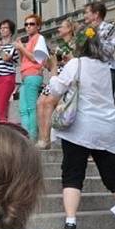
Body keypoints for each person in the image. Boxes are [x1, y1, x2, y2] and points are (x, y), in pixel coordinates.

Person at [45, 29, 115, 229]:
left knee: (73, 173)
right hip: (105, 127)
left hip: (79, 127)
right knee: (112, 176)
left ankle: (71, 221)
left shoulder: (76, 64)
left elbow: (56, 88)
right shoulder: (106, 67)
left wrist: (55, 68)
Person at [35, 18, 76, 148]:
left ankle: (46, 139)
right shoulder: (59, 45)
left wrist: (63, 60)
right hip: (56, 75)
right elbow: (53, 65)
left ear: (69, 29)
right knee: (40, 102)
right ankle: (41, 137)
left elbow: (76, 62)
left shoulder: (75, 44)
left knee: (48, 102)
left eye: (62, 27)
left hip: (66, 78)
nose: (59, 29)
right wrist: (47, 60)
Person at [15, 14, 47, 139]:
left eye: (32, 24)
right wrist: (20, 48)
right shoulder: (30, 41)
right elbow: (23, 60)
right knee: (23, 109)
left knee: (31, 108)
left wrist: (21, 47)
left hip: (32, 76)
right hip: (26, 77)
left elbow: (36, 59)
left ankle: (32, 137)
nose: (28, 26)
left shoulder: (39, 38)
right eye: (26, 24)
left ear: (38, 26)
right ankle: (27, 138)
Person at [83, 2, 115, 92]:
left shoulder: (109, 28)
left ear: (96, 14)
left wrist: (94, 36)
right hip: (90, 72)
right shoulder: (85, 30)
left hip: (106, 71)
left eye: (86, 12)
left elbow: (109, 50)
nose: (84, 16)